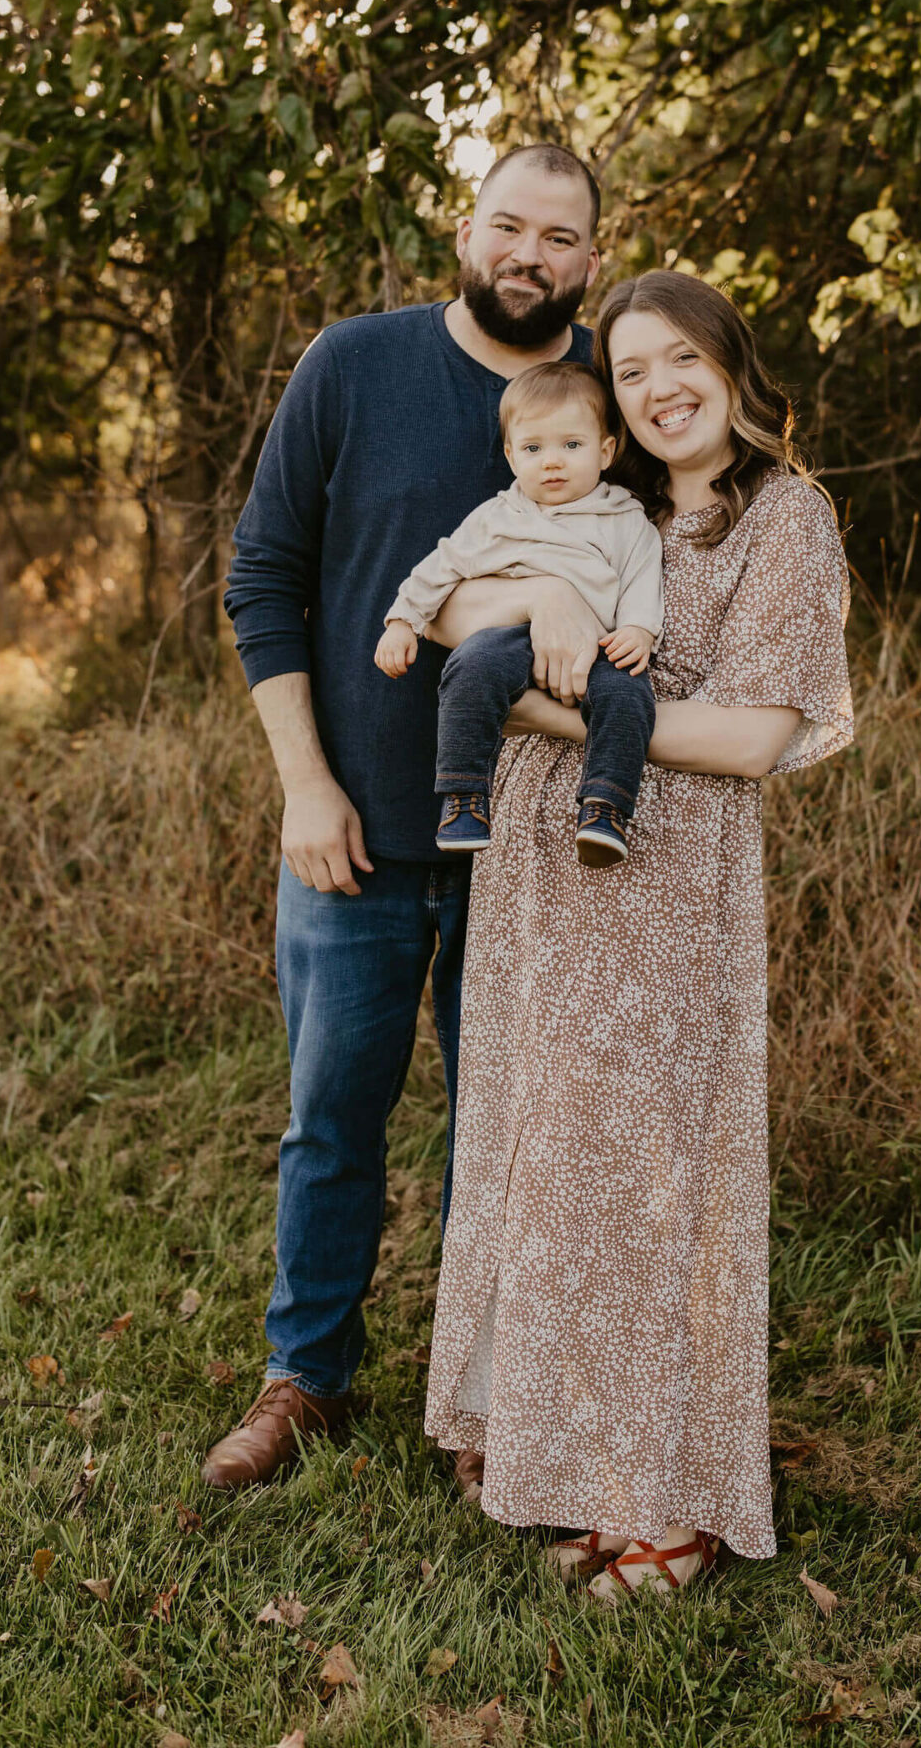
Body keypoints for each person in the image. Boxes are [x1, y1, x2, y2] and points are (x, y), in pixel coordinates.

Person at [424, 270, 853, 1596]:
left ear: (729, 364)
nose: (658, 388)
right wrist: (539, 610)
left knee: (659, 1192)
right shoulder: (592, 503)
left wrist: (555, 710)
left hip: (670, 888)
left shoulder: (783, 519)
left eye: (680, 360)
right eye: (629, 369)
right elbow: (443, 604)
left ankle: (675, 1508)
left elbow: (748, 737)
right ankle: (587, 1474)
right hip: (539, 885)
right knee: (556, 1169)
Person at [204, 143, 613, 1494]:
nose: (528, 257)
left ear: (590, 261)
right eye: (508, 226)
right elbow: (262, 578)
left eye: (558, 238)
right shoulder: (353, 364)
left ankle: (476, 1400)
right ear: (465, 230)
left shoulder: (613, 393)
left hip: (533, 840)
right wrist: (303, 785)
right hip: (357, 826)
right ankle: (302, 1378)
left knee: (498, 1128)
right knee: (331, 1116)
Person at [376, 359, 663, 868]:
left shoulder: (624, 517)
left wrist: (639, 630)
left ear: (606, 450)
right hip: (509, 636)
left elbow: (643, 577)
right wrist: (403, 621)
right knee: (470, 664)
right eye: (533, 449)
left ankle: (605, 808)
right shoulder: (498, 516)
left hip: (593, 645)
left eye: (571, 446)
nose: (552, 462)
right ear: (511, 455)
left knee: (630, 691)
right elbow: (440, 567)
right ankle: (464, 798)